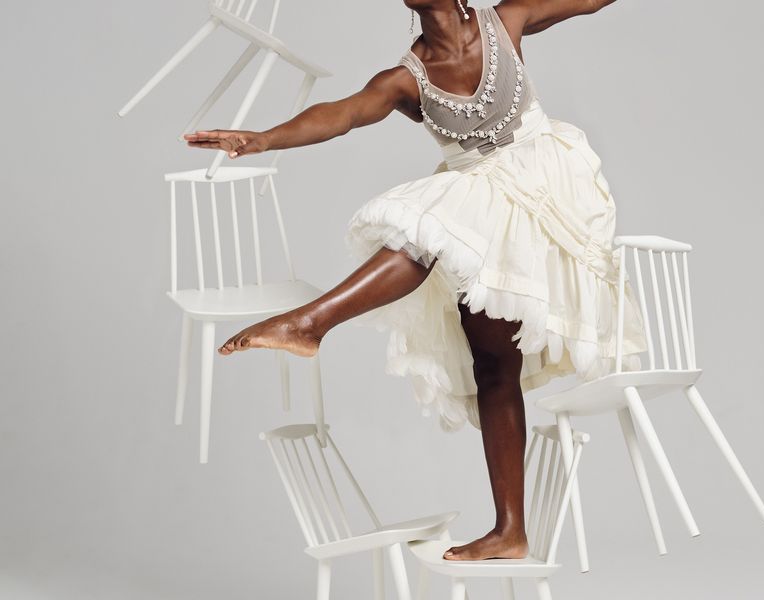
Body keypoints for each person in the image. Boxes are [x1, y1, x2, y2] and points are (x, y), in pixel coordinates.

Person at [183, 0, 647, 561]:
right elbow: (345, 113)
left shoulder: (510, 19)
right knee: (493, 366)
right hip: (484, 220)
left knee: (431, 224)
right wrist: (261, 139)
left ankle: (309, 323)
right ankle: (511, 531)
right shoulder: (407, 79)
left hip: (549, 196)